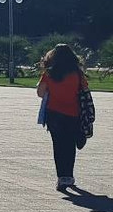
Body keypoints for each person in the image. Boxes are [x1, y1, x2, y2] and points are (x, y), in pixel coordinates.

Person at [35, 43, 93, 191]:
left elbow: (40, 93)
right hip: (73, 113)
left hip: (54, 113)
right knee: (70, 145)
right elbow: (85, 90)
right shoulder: (77, 74)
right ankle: (69, 176)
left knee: (58, 145)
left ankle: (61, 177)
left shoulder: (49, 73)